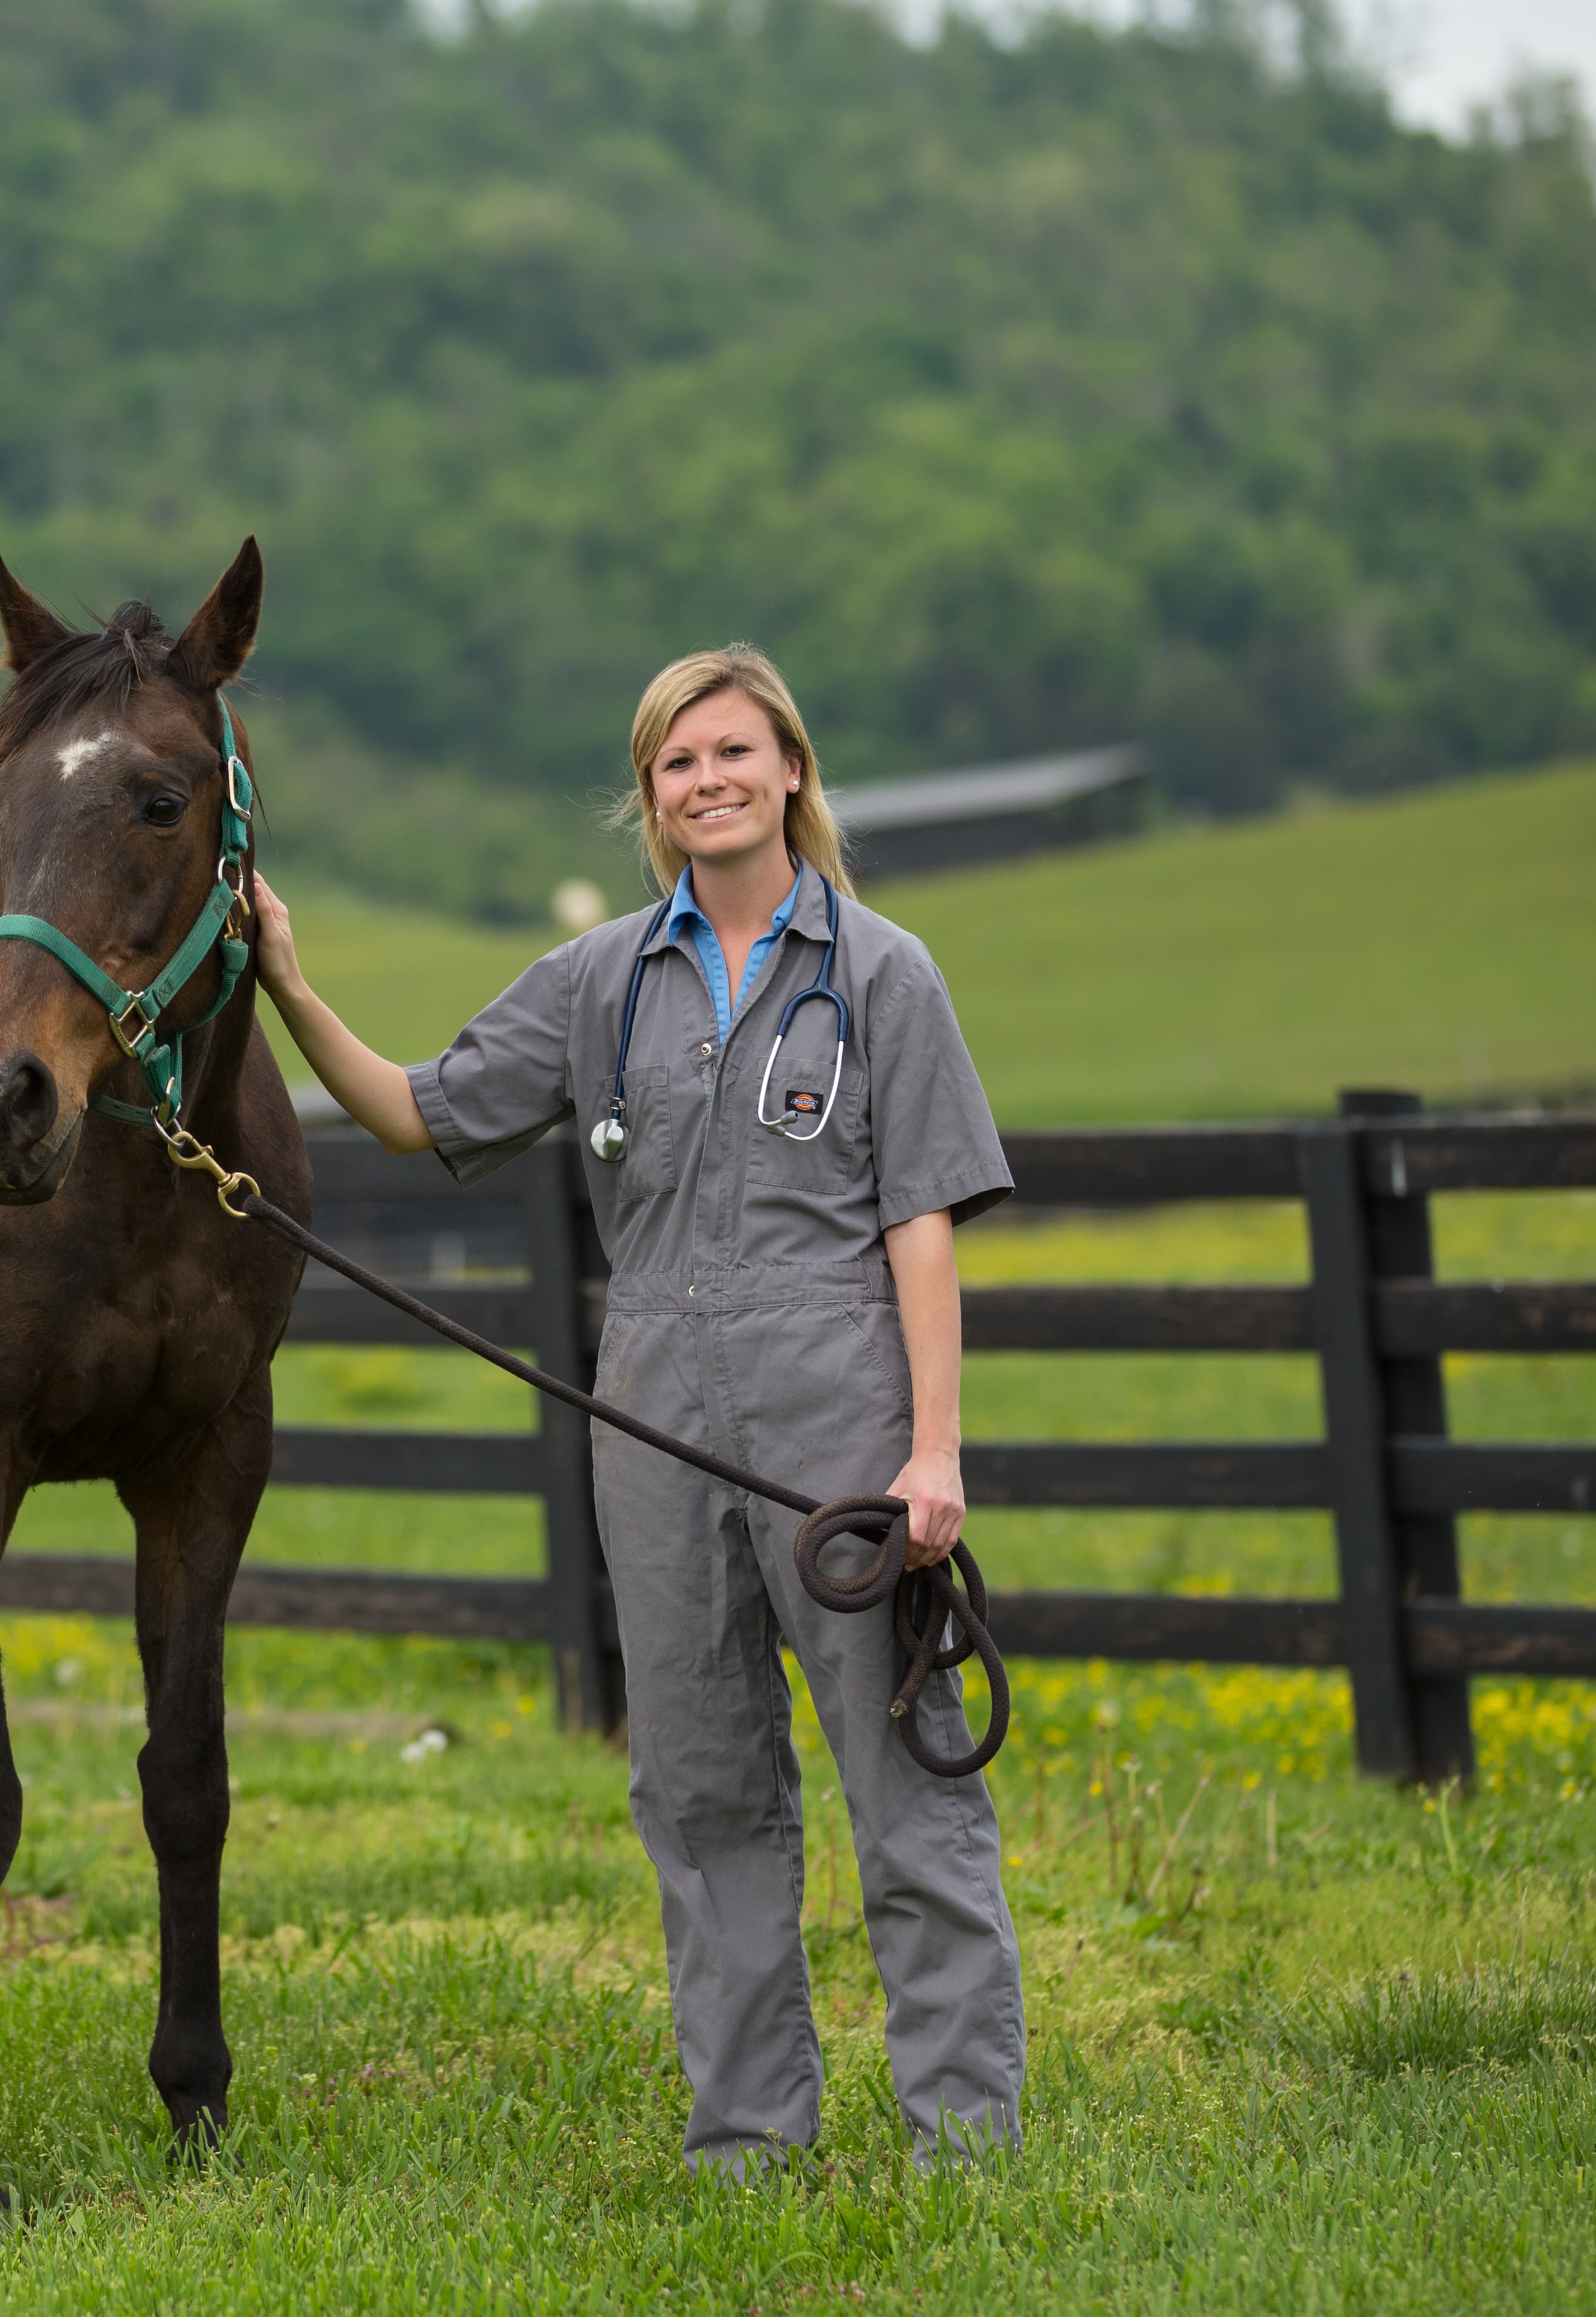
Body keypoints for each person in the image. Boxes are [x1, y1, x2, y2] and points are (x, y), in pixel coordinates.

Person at [250, 648, 1024, 2172]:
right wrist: (286, 983)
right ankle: (746, 2141)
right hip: (652, 1409)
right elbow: (417, 1111)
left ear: (792, 770)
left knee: (898, 1776)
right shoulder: (601, 981)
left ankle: (966, 2142)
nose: (709, 781)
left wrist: (935, 1448)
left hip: (840, 1410)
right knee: (700, 1785)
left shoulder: (881, 973)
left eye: (734, 752)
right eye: (679, 764)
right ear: (652, 798)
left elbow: (921, 1220)